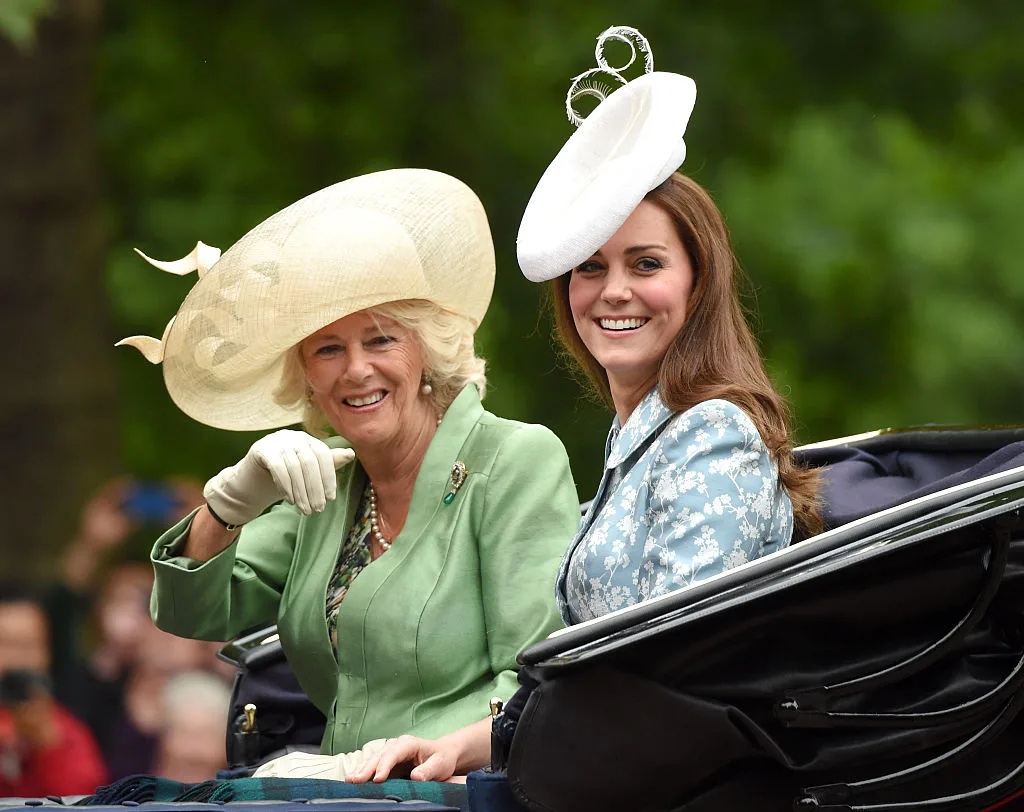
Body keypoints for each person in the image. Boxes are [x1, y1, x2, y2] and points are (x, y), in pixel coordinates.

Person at [348, 25, 820, 784]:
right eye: (590, 268)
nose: (615, 291)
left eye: (647, 263)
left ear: (697, 283)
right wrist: (460, 745)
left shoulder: (713, 436)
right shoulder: (635, 437)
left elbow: (671, 668)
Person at [117, 168, 580, 757]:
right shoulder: (325, 487)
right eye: (328, 349)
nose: (356, 369)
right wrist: (228, 504)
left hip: (465, 788)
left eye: (381, 339)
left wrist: (447, 751)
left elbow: (536, 680)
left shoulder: (514, 459)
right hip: (342, 790)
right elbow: (191, 612)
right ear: (306, 376)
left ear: (426, 351)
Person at [0, 586, 107, 797]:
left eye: (28, 645)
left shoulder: (65, 731)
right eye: (5, 644)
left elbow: (84, 801)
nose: (16, 658)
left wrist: (48, 746)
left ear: (46, 654)